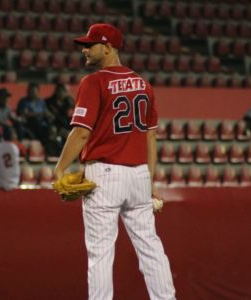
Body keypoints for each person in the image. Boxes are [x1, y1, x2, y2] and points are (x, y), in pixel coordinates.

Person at [53, 24, 176, 300]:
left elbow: (82, 131)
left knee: (100, 252)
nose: (84, 50)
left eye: (90, 45)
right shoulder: (143, 84)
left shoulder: (94, 82)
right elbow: (151, 136)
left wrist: (60, 167)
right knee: (151, 247)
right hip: (139, 175)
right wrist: (150, 183)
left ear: (108, 48)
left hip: (105, 175)